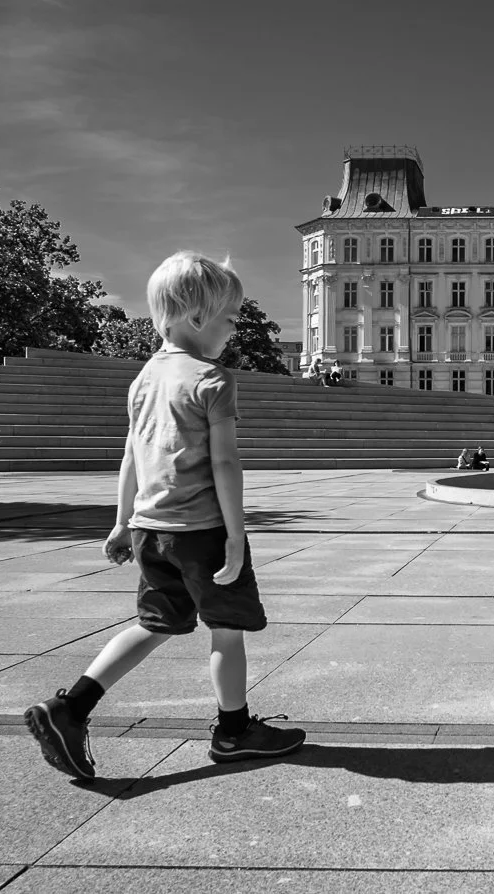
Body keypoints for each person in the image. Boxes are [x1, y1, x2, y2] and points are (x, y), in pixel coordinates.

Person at [24, 250, 304, 781]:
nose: (233, 330)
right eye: (230, 318)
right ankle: (234, 731)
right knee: (226, 630)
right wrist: (237, 536)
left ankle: (71, 707)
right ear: (199, 319)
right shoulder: (212, 379)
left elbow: (131, 454)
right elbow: (224, 462)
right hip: (203, 533)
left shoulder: (143, 380)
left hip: (152, 532)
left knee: (153, 625)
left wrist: (122, 521)